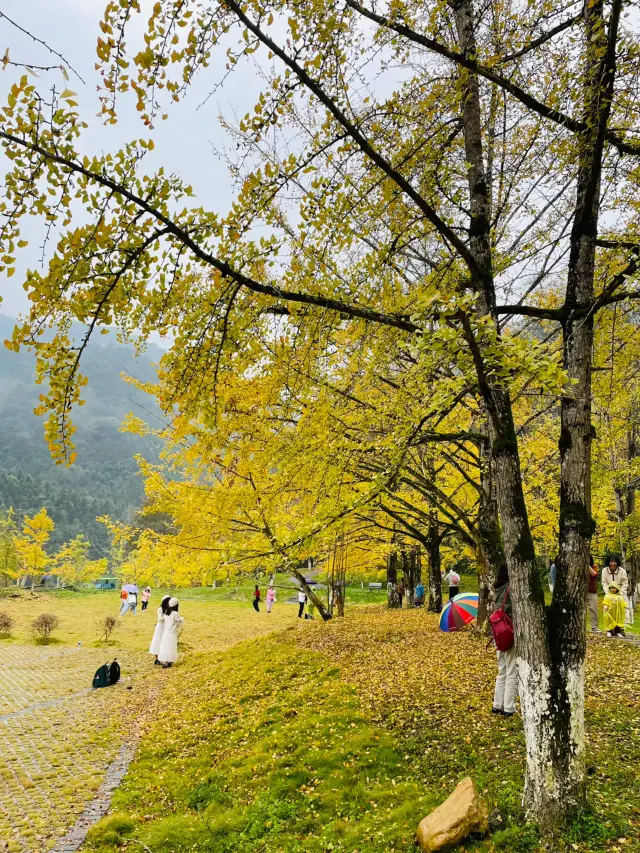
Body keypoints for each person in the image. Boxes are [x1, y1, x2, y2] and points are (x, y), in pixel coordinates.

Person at [491, 564, 517, 718]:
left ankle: (497, 704)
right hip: (508, 632)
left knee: (502, 670)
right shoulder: (511, 589)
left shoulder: (497, 589)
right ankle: (508, 707)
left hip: (498, 633)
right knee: (511, 670)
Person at [601, 555, 630, 624]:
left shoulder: (622, 571)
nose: (613, 564)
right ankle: (610, 629)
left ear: (617, 563)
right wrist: (607, 593)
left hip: (621, 593)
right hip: (609, 594)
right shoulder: (604, 571)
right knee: (609, 610)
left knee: (622, 610)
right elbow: (604, 583)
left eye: (614, 562)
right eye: (611, 562)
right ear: (608, 562)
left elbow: (625, 583)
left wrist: (621, 593)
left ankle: (621, 628)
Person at [158, 598, 184, 668]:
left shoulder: (166, 611)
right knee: (171, 647)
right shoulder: (175, 613)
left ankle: (165, 661)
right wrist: (182, 619)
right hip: (172, 633)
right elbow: (178, 621)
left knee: (165, 647)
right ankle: (169, 661)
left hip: (166, 632)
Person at [149, 595, 171, 665]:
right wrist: (167, 616)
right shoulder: (160, 609)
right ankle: (157, 658)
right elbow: (160, 619)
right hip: (160, 627)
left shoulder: (169, 609)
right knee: (158, 641)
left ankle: (164, 657)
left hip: (166, 627)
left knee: (165, 642)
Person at [587, 555, 599, 632]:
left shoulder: (594, 566)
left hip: (592, 591)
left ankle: (594, 627)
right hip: (581, 591)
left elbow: (594, 575)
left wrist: (587, 566)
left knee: (594, 609)